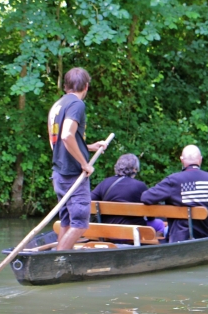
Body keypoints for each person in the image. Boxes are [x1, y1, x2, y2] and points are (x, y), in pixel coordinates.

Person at [47, 67, 106, 251]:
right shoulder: (77, 105)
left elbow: (56, 142)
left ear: (66, 86)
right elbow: (66, 136)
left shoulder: (58, 105)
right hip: (73, 174)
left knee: (66, 222)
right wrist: (84, 163)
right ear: (86, 86)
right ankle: (57, 261)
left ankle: (59, 260)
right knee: (79, 224)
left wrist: (88, 147)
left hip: (59, 173)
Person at [141, 145, 208, 242]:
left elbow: (146, 197)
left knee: (166, 230)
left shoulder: (173, 180)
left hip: (181, 239)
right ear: (200, 159)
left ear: (181, 160)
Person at [91, 153, 164, 235]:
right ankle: (151, 246)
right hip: (133, 232)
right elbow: (151, 216)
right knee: (160, 224)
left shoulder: (104, 183)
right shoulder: (139, 186)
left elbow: (90, 202)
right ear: (134, 169)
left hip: (108, 231)